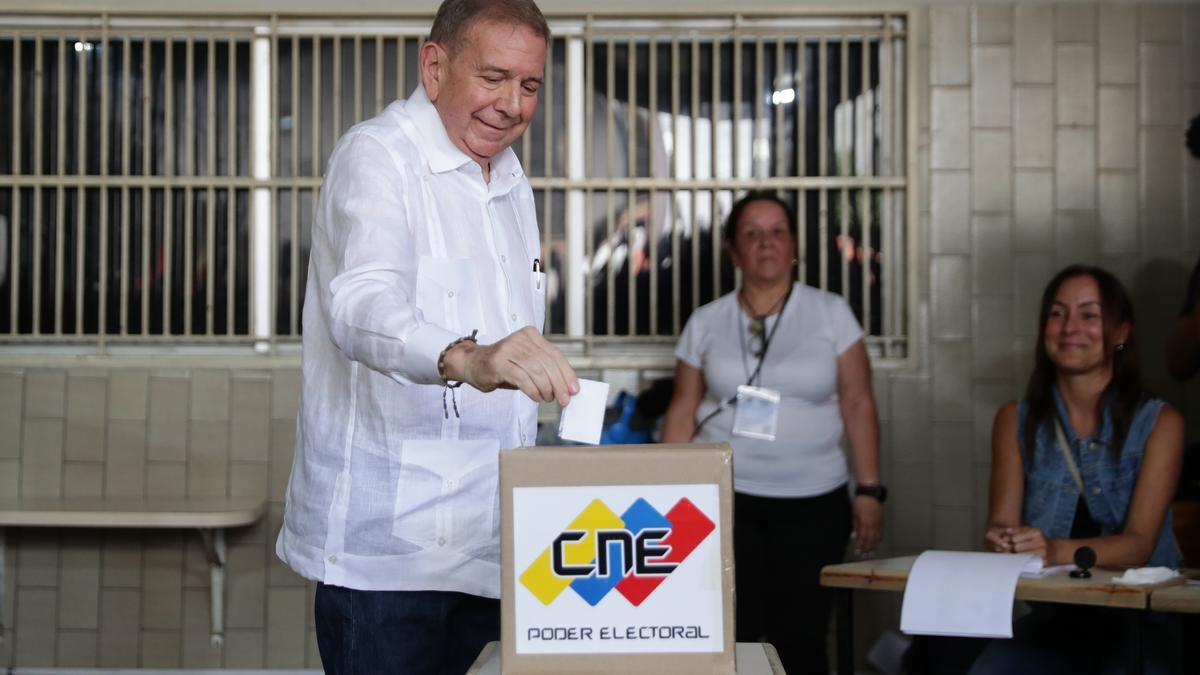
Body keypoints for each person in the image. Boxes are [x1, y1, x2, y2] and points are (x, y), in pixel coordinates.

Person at [275, 2, 579, 674]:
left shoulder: (509, 179)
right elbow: (360, 305)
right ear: (435, 66)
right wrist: (468, 358)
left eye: (529, 86)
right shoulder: (379, 156)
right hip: (389, 561)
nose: (511, 105)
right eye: (494, 77)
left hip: (495, 545)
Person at [661, 191, 885, 675]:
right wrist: (664, 492)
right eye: (752, 233)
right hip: (721, 501)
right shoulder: (707, 320)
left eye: (778, 232)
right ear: (733, 250)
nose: (767, 243)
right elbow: (683, 408)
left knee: (801, 637)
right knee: (725, 633)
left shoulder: (831, 313)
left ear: (795, 246)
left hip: (813, 500)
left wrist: (869, 489)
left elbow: (858, 402)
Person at [971, 265, 1182, 675]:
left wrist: (1052, 550)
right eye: (1057, 313)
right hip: (1056, 618)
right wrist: (1004, 540)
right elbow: (1001, 521)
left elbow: (1138, 545)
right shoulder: (1014, 419)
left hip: (1141, 620)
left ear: (1121, 333)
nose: (1070, 327)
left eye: (1089, 314)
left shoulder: (1160, 423)